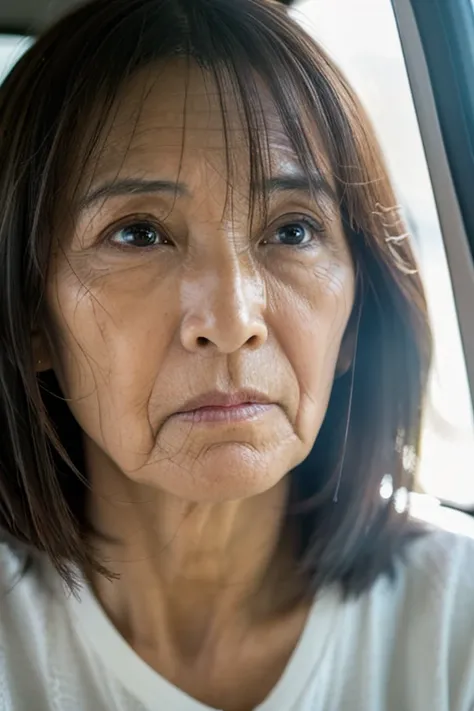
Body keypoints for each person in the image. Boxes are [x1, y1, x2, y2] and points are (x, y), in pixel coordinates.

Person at [0, 0, 473, 709]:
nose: (230, 320)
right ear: (31, 314)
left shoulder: (454, 624)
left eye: (291, 231)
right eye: (138, 234)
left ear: (352, 321)